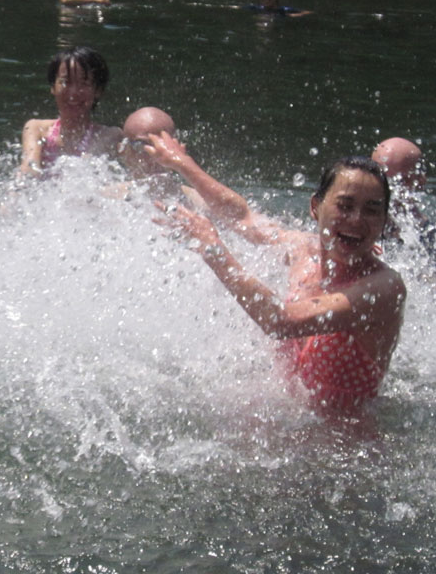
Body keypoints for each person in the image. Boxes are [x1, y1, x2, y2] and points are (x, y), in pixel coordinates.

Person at [147, 134, 406, 409]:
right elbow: (242, 217)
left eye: (371, 211)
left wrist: (214, 251)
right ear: (316, 207)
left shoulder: (384, 287)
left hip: (344, 435)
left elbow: (281, 322)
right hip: (287, 419)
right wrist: (182, 163)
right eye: (345, 205)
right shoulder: (303, 251)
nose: (356, 220)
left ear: (384, 221)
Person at [19, 47, 123, 177]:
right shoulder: (36, 129)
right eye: (65, 82)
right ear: (53, 87)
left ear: (98, 90)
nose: (73, 93)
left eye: (84, 83)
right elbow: (28, 172)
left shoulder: (110, 136)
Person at [371, 136, 436, 268]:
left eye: (399, 181)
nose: (388, 188)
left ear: (420, 182)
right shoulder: (352, 231)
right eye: (381, 179)